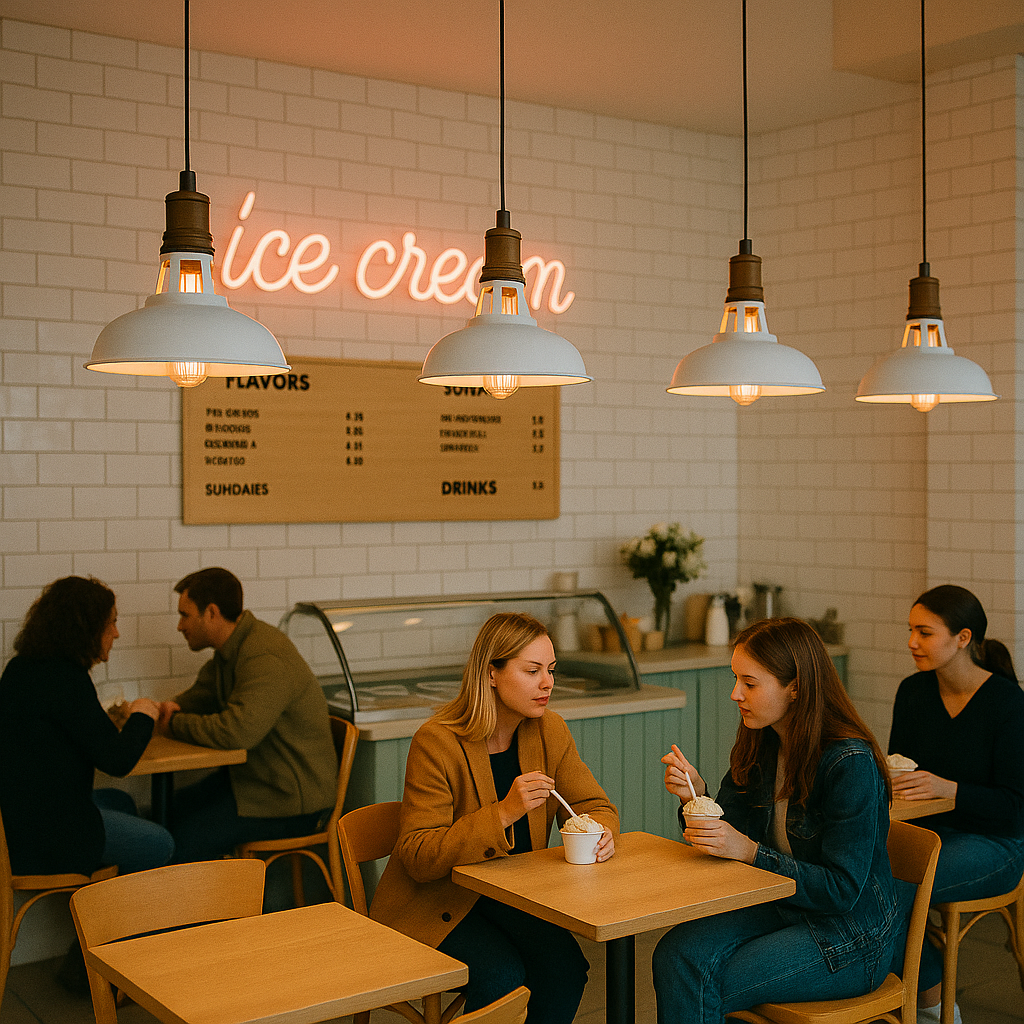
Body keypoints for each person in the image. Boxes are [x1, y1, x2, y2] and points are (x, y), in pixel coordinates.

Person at [370, 612, 619, 1024]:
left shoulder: (549, 730)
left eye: (551, 670)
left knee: (565, 970)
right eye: (532, 670)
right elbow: (416, 855)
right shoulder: (437, 742)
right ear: (491, 673)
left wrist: (602, 831)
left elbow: (595, 805)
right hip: (439, 900)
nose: (548, 683)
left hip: (511, 896)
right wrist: (503, 813)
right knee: (502, 976)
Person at [653, 617, 899, 1024]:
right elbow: (729, 837)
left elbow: (842, 890)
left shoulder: (849, 763)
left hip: (852, 934)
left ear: (796, 686)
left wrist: (749, 852)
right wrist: (695, 797)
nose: (735, 694)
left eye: (750, 683)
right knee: (676, 955)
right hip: (783, 905)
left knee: (700, 979)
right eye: (736, 679)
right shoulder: (762, 738)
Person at [888, 584, 1024, 1024]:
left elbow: (1015, 807)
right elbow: (902, 771)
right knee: (858, 875)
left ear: (963, 638)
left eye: (924, 632)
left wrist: (952, 790)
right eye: (910, 630)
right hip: (931, 833)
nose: (912, 641)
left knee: (890, 891)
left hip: (997, 844)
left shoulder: (1008, 704)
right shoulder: (913, 693)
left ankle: (929, 1007)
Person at [157, 567, 337, 862]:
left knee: (180, 839)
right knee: (162, 815)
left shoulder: (263, 656)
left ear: (211, 613)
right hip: (254, 784)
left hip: (290, 800)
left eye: (185, 615)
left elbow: (236, 732)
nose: (179, 626)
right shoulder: (233, 649)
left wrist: (173, 724)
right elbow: (201, 695)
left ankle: (217, 908)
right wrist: (166, 707)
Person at [0, 575, 173, 877]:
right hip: (48, 836)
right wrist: (143, 713)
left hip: (16, 819)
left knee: (120, 800)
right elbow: (117, 760)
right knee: (160, 843)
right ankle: (120, 919)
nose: (116, 634)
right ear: (86, 629)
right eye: (111, 623)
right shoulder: (67, 680)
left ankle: (109, 902)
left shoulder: (20, 668)